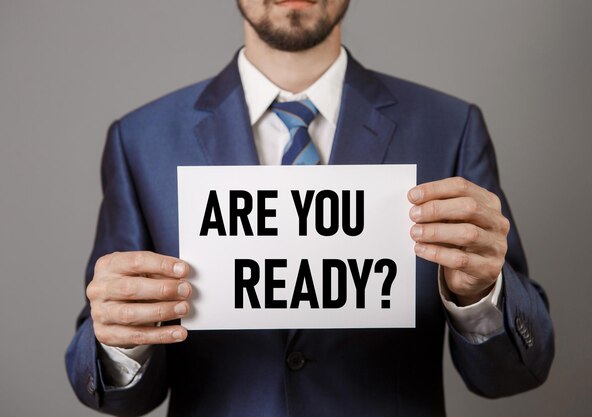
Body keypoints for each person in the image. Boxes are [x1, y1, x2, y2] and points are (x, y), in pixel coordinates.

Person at [65, 1, 554, 416]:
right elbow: (118, 395)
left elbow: (511, 376)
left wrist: (481, 296)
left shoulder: (450, 128)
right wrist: (119, 341)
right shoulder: (141, 140)